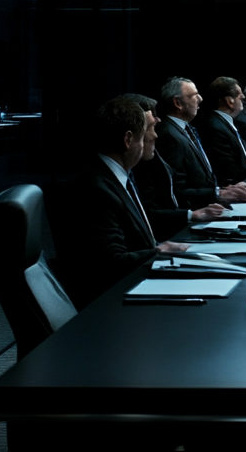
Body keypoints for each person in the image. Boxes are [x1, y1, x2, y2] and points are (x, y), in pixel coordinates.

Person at [46, 97, 189, 310]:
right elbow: (111, 263)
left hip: (137, 289)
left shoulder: (116, 179)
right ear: (128, 140)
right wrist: (159, 252)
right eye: (145, 134)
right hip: (116, 308)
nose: (155, 136)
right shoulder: (94, 189)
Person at [124, 93, 226, 242]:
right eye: (151, 125)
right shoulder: (161, 143)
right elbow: (148, 213)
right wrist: (192, 214)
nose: (155, 134)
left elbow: (174, 193)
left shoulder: (151, 155)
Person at [154, 76, 246, 204]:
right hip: (197, 215)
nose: (200, 99)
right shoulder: (168, 136)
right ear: (178, 103)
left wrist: (222, 189)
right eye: (194, 95)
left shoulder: (185, 129)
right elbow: (175, 189)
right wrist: (216, 193)